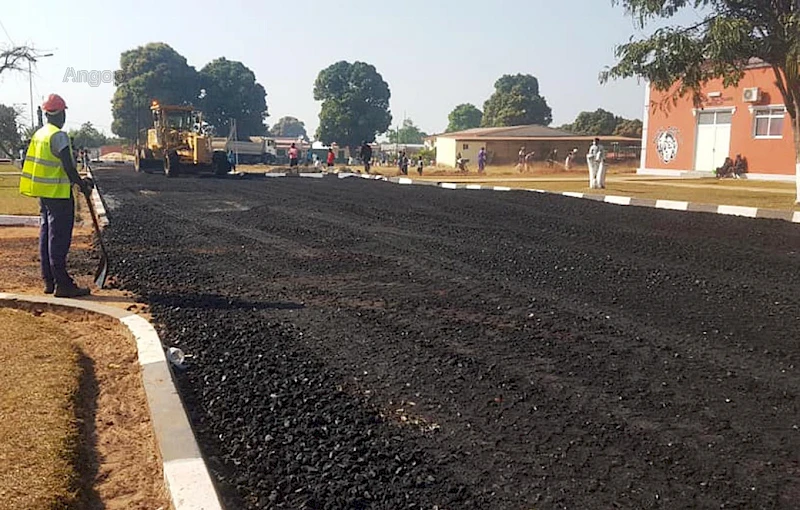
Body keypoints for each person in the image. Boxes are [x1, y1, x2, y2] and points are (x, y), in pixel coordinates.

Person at [19, 94, 92, 297]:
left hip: (44, 194)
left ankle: (49, 281)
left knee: (46, 235)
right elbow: (69, 167)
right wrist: (82, 184)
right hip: (58, 195)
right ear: (60, 113)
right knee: (58, 238)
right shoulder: (58, 136)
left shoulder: (39, 134)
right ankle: (63, 284)